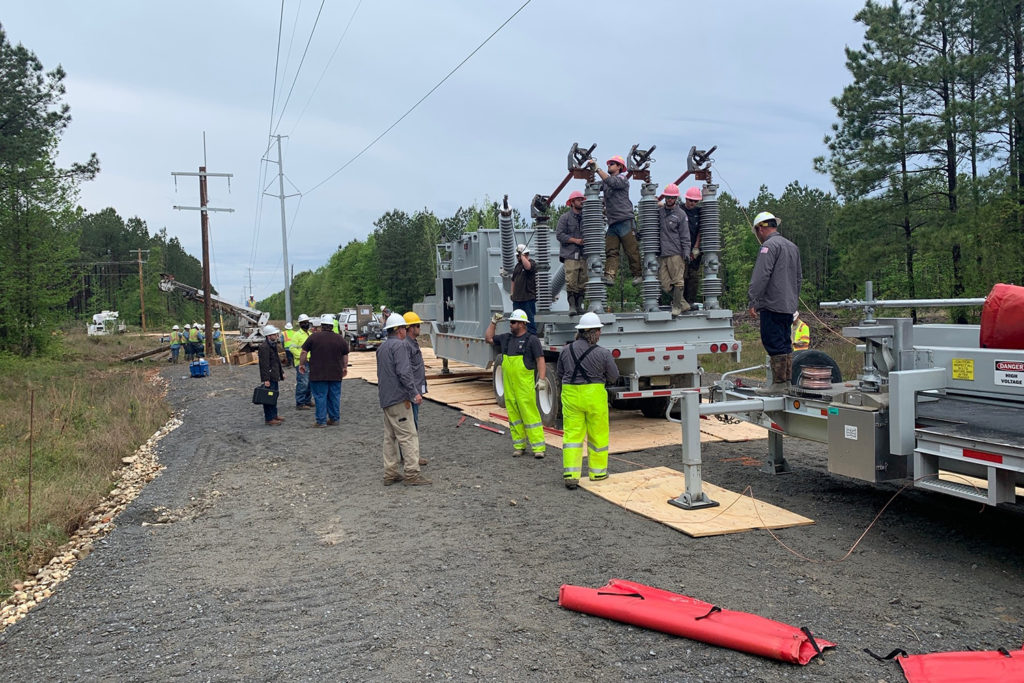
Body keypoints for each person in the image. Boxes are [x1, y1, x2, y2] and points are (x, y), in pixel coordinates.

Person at [556, 312, 619, 489]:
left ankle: (571, 474)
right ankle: (598, 473)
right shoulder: (603, 353)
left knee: (572, 436)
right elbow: (614, 377)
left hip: (571, 396)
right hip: (594, 396)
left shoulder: (566, 350)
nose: (600, 334)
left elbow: (561, 374)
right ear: (593, 332)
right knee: (598, 435)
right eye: (599, 330)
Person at [748, 211, 802, 394]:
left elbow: (761, 275)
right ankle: (786, 382)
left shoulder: (768, 247)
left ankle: (778, 384)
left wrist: (753, 299)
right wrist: (793, 301)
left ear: (761, 228)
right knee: (785, 342)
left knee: (773, 341)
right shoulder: (792, 246)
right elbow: (798, 278)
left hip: (772, 304)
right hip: (788, 305)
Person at [376, 313, 430, 486]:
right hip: (400, 399)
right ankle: (412, 474)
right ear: (399, 330)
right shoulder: (399, 347)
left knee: (389, 437)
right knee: (408, 436)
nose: (406, 331)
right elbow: (404, 372)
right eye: (404, 328)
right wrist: (414, 393)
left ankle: (390, 473)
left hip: (386, 399)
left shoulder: (382, 348)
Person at [484, 309, 546, 459]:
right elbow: (489, 338)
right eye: (511, 322)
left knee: (530, 415)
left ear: (522, 324)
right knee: (514, 416)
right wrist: (493, 322)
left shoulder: (532, 340)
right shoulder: (506, 338)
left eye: (513, 322)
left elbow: (540, 360)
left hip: (524, 386)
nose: (511, 325)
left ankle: (538, 447)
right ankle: (519, 446)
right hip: (510, 386)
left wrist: (542, 379)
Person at [588, 155, 642, 286]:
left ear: (619, 167)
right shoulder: (607, 182)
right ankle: (610, 275)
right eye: (609, 164)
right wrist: (589, 175)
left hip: (625, 221)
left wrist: (597, 169)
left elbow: (611, 182)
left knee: (631, 251)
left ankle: (638, 275)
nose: (609, 166)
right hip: (613, 223)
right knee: (611, 251)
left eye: (612, 164)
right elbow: (594, 187)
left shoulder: (622, 179)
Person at [299, 313, 349, 428]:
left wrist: (302, 364)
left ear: (321, 325)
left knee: (320, 397)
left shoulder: (313, 337)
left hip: (318, 374)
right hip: (335, 373)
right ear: (332, 326)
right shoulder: (339, 339)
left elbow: (303, 352)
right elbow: (345, 355)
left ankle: (321, 421)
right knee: (334, 396)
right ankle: (334, 419)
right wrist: (344, 367)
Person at [656, 183, 691, 316]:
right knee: (665, 284)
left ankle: (677, 307)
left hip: (676, 253)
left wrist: (686, 252)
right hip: (663, 253)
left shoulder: (681, 215)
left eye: (672, 197)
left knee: (677, 281)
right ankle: (683, 303)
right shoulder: (661, 212)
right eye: (667, 197)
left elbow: (685, 235)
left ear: (676, 198)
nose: (669, 199)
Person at [403, 311, 429, 467]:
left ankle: (410, 455)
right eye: (417, 325)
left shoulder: (412, 343)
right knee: (411, 425)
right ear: (410, 328)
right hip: (411, 392)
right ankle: (411, 456)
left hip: (415, 390)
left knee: (411, 424)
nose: (419, 328)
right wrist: (414, 392)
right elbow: (406, 371)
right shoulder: (406, 345)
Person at [556, 190, 587, 315]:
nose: (581, 202)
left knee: (583, 281)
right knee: (571, 281)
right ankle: (572, 306)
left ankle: (579, 305)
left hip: (583, 255)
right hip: (570, 254)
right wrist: (576, 241)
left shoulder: (586, 217)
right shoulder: (565, 218)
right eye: (579, 199)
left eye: (582, 199)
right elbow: (560, 235)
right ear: (572, 202)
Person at [258, 324, 286, 426]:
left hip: (274, 376)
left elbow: (276, 361)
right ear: (269, 336)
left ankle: (274, 415)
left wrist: (281, 372)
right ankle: (269, 418)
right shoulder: (264, 347)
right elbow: (264, 365)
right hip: (269, 377)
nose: (277, 335)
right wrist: (266, 379)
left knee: (274, 396)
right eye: (274, 334)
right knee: (268, 397)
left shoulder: (272, 345)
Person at [681, 186, 703, 308]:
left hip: (694, 249)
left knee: (693, 277)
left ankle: (690, 301)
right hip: (681, 248)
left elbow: (700, 230)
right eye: (690, 200)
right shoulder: (679, 209)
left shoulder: (699, 212)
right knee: (681, 277)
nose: (692, 203)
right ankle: (680, 301)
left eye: (695, 201)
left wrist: (696, 247)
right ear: (686, 199)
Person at [511, 244, 538, 335]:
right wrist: (512, 293)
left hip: (528, 299)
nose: (517, 257)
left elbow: (528, 267)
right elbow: (513, 280)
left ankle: (532, 338)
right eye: (517, 255)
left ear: (525, 254)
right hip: (517, 300)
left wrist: (522, 255)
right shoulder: (517, 266)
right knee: (515, 322)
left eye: (518, 255)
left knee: (529, 321)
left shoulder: (532, 263)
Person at [289, 314, 314, 410]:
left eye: (307, 322)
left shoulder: (310, 334)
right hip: (301, 362)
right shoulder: (297, 335)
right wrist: (301, 357)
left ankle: (307, 400)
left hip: (310, 361)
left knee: (310, 382)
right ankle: (300, 402)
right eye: (304, 323)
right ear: (300, 324)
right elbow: (292, 348)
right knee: (303, 382)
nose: (306, 324)